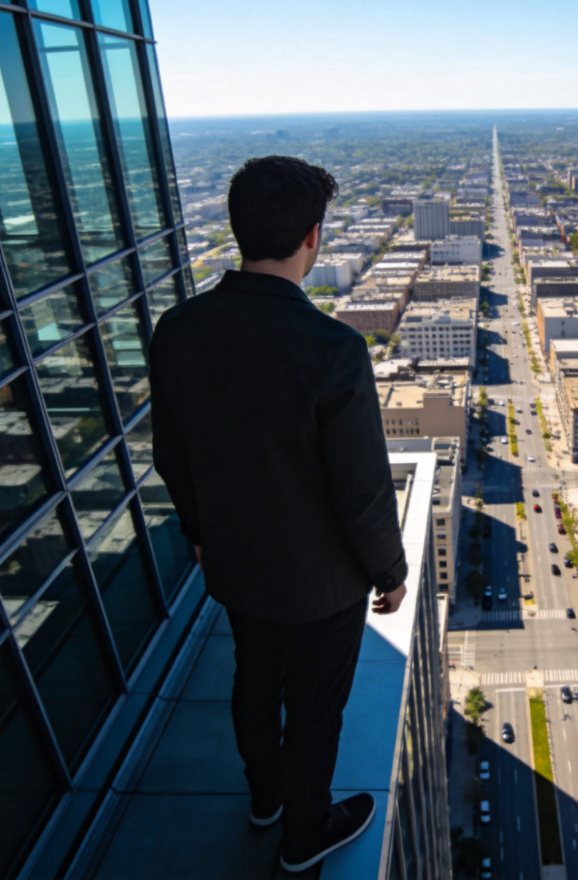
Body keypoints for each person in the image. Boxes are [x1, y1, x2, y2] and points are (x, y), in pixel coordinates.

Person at [149, 155, 407, 874]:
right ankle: (303, 835)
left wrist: (200, 533)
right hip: (322, 584)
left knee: (253, 682)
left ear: (238, 230)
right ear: (314, 238)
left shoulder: (178, 329)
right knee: (315, 711)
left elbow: (172, 452)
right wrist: (388, 571)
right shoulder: (332, 350)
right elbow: (361, 489)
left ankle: (264, 799)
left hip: (235, 565)